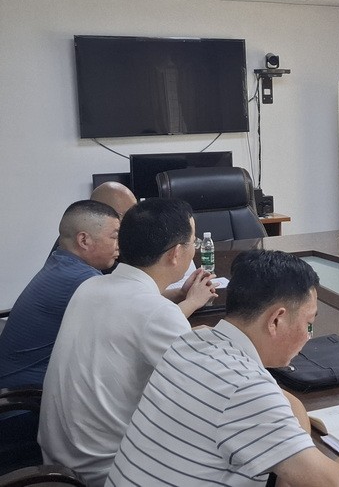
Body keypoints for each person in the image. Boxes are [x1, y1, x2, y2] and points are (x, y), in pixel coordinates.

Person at [106, 250, 339, 487]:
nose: (309, 335)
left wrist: (293, 410)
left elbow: (258, 398)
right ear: (276, 320)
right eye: (308, 322)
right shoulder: (246, 389)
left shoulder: (193, 340)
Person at [38, 198, 217, 487]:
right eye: (193, 242)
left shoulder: (90, 286)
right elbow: (209, 392)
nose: (195, 248)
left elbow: (136, 315)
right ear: (175, 254)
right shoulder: (157, 314)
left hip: (59, 460)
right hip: (107, 470)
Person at [0, 200, 120, 389]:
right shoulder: (82, 279)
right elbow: (135, 321)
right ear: (84, 240)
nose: (119, 245)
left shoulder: (60, 262)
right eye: (114, 237)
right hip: (24, 396)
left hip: (14, 381)